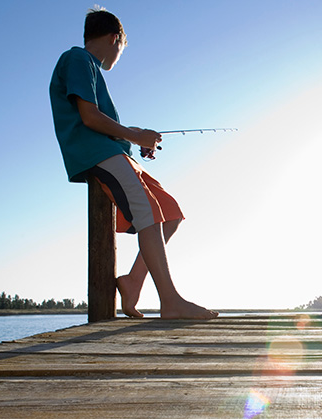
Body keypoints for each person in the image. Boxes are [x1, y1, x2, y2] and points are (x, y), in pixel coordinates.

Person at [49, 8, 218, 320]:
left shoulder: (88, 67)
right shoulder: (78, 59)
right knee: (147, 212)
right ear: (116, 38)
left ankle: (132, 282)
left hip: (114, 152)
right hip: (95, 153)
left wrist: (136, 137)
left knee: (169, 212)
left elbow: (105, 122)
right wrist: (134, 137)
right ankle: (170, 301)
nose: (118, 55)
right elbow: (89, 118)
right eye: (121, 48)